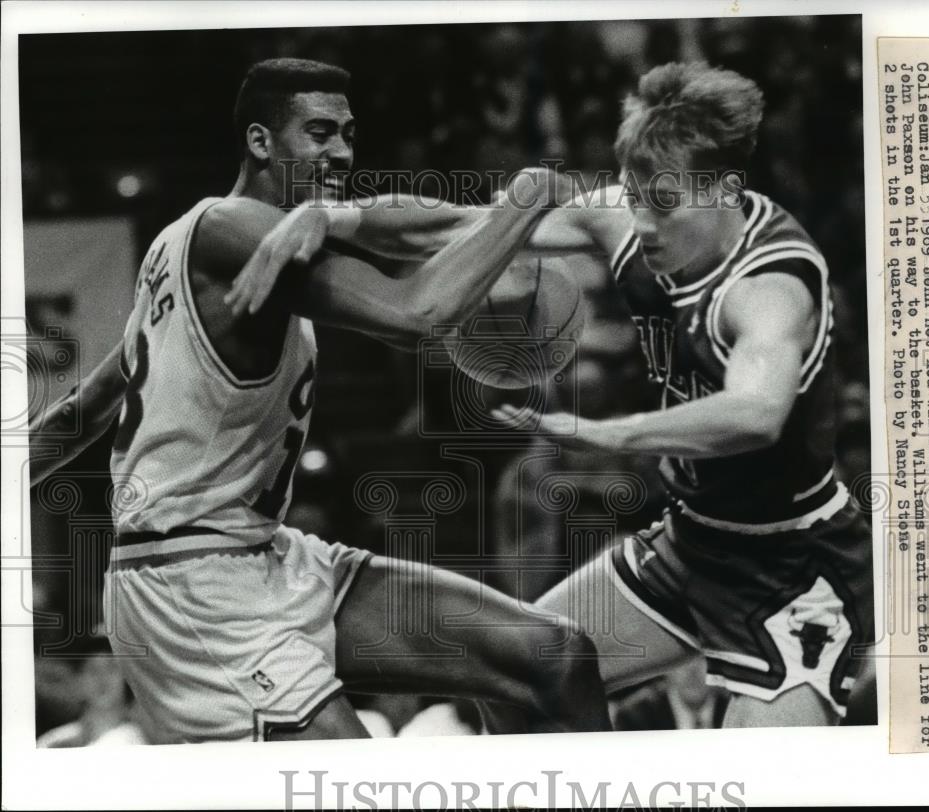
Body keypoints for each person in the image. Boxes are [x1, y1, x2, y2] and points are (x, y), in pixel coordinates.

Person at [243, 62, 874, 728]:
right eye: (633, 198)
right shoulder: (626, 222)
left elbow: (756, 413)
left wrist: (606, 434)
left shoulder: (770, 286)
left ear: (723, 189)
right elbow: (461, 225)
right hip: (692, 544)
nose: (644, 225)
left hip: (793, 567)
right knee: (522, 673)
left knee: (765, 774)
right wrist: (333, 215)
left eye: (663, 205)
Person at [29, 58, 612, 743]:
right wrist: (525, 196)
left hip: (267, 555)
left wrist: (514, 218)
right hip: (189, 585)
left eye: (348, 132)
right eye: (319, 131)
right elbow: (417, 311)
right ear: (260, 142)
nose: (341, 149)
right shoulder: (229, 231)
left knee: (555, 660)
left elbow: (86, 409)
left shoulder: (183, 243)